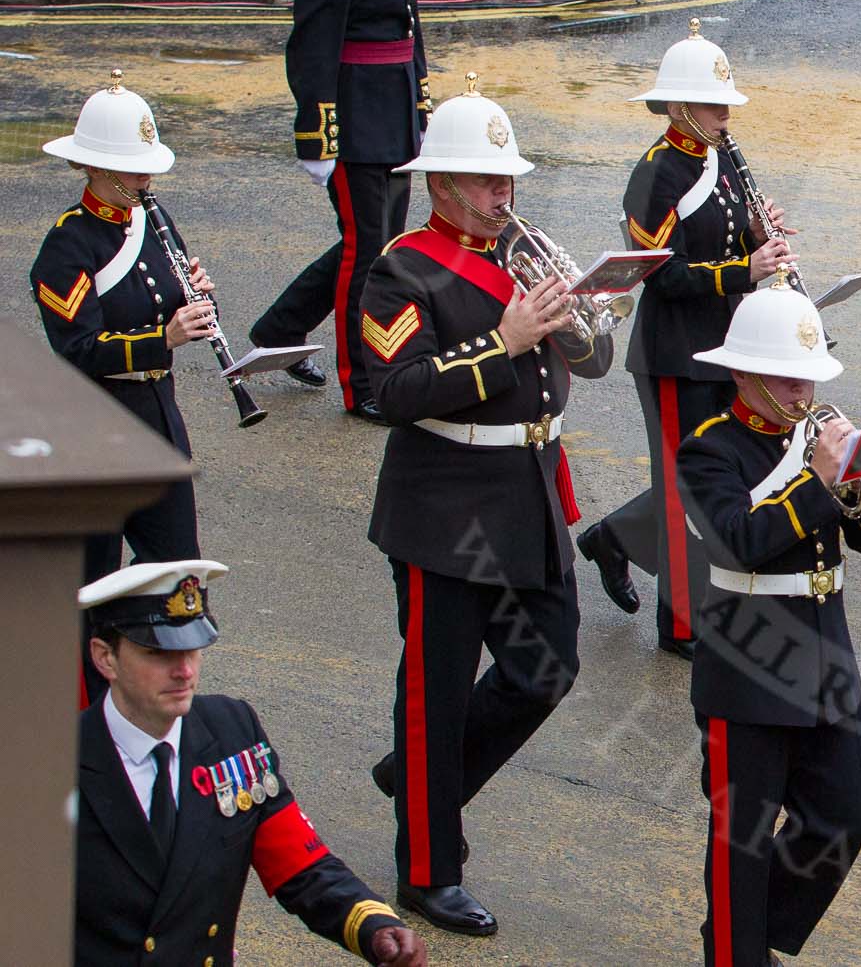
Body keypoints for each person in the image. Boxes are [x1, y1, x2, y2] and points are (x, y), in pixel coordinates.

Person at [357, 80, 612, 936]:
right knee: (436, 694)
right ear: (441, 183)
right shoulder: (403, 268)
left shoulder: (523, 250)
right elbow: (390, 388)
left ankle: (420, 781)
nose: (505, 194)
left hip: (527, 490)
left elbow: (596, 358)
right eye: (487, 180)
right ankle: (428, 868)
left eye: (508, 179)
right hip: (445, 504)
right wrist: (502, 344)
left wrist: (580, 318)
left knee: (548, 668)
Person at [678, 272, 861, 965]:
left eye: (809, 378)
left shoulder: (816, 439)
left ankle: (743, 933)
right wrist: (819, 482)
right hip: (747, 657)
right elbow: (738, 538)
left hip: (825, 650)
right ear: (744, 372)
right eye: (789, 378)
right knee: (742, 836)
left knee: (846, 811)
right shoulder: (707, 448)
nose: (805, 393)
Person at [76, 560, 427, 966]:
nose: (184, 670)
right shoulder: (46, 765)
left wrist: (374, 927)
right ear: (105, 658)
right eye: (158, 653)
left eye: (192, 648)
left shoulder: (231, 733)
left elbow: (300, 862)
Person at [576, 21, 792, 657]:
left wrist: (758, 236)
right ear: (677, 107)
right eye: (711, 105)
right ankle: (679, 623)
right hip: (674, 352)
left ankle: (614, 538)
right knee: (682, 486)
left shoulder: (723, 158)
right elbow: (661, 275)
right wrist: (743, 269)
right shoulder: (655, 175)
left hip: (727, 343)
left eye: (725, 105)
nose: (724, 115)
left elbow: (727, 238)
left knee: (718, 474)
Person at [249, 0, 432, 414]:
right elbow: (312, 51)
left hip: (396, 112)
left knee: (376, 242)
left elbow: (411, 28)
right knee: (367, 251)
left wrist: (421, 97)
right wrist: (317, 134)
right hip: (354, 120)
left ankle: (282, 325)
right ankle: (363, 386)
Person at [30, 74, 209, 683]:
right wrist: (163, 336)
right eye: (133, 171)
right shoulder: (66, 248)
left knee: (175, 569)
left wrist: (195, 297)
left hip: (158, 415)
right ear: (96, 169)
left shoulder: (152, 219)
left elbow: (167, 294)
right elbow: (78, 349)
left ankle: (156, 683)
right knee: (94, 585)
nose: (146, 181)